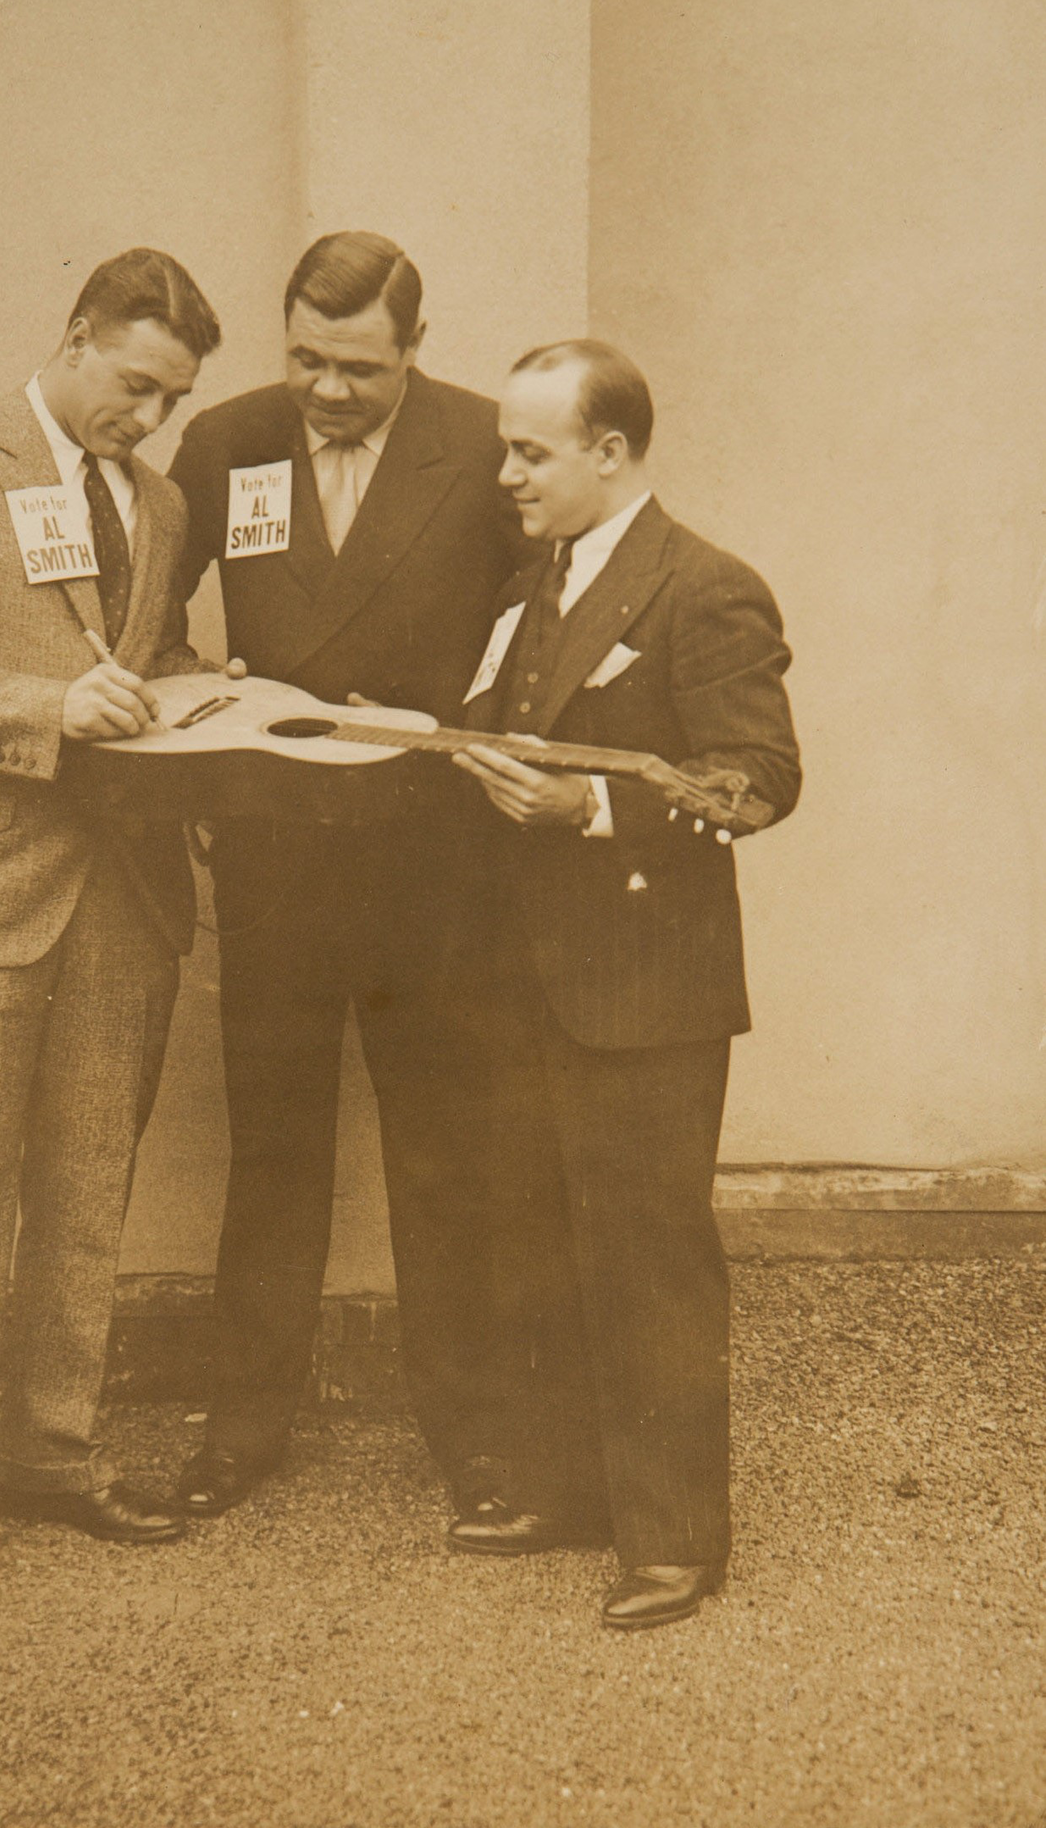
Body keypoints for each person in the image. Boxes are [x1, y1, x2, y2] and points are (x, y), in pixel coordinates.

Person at [0, 249, 224, 1597]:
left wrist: (204, 694)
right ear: (74, 341)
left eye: (172, 400)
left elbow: (140, 658)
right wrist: (47, 712)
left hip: (120, 900)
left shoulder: (162, 504)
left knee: (83, 1200)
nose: (148, 419)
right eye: (135, 385)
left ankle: (54, 1456)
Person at [167, 232, 528, 1520]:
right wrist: (212, 759)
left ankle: (476, 1440)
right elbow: (154, 624)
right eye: (307, 358)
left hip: (435, 866)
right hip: (274, 857)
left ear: (414, 352)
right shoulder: (225, 441)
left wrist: (461, 734)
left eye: (358, 368)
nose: (326, 390)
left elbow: (541, 631)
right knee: (272, 1150)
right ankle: (242, 1429)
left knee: (445, 1154)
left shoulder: (488, 448)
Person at [447, 339, 801, 1629]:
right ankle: (567, 1491)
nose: (506, 474)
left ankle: (673, 1536)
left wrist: (587, 805)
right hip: (525, 973)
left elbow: (758, 778)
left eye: (530, 453)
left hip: (646, 983)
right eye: (504, 449)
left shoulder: (706, 588)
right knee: (533, 1240)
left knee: (648, 1258)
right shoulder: (535, 581)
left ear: (610, 452)